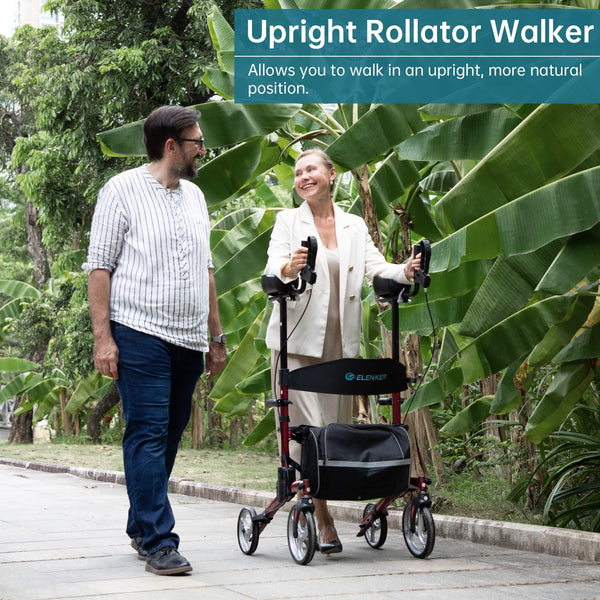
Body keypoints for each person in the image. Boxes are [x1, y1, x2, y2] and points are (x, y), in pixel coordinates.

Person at [84, 105, 227, 576]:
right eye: (197, 142)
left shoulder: (196, 197)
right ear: (171, 146)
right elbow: (99, 268)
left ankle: (140, 523)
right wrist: (103, 339)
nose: (203, 149)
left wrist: (216, 337)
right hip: (138, 330)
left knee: (168, 433)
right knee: (147, 430)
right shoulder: (121, 190)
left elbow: (207, 270)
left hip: (188, 338)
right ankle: (160, 542)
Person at [264, 148, 421, 555]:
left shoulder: (353, 225)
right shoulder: (288, 222)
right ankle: (322, 517)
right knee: (309, 432)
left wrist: (405, 271)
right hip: (296, 343)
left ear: (331, 175)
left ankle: (331, 502)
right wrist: (290, 268)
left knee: (334, 430)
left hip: (339, 345)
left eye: (311, 169)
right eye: (298, 172)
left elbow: (377, 269)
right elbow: (272, 269)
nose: (303, 176)